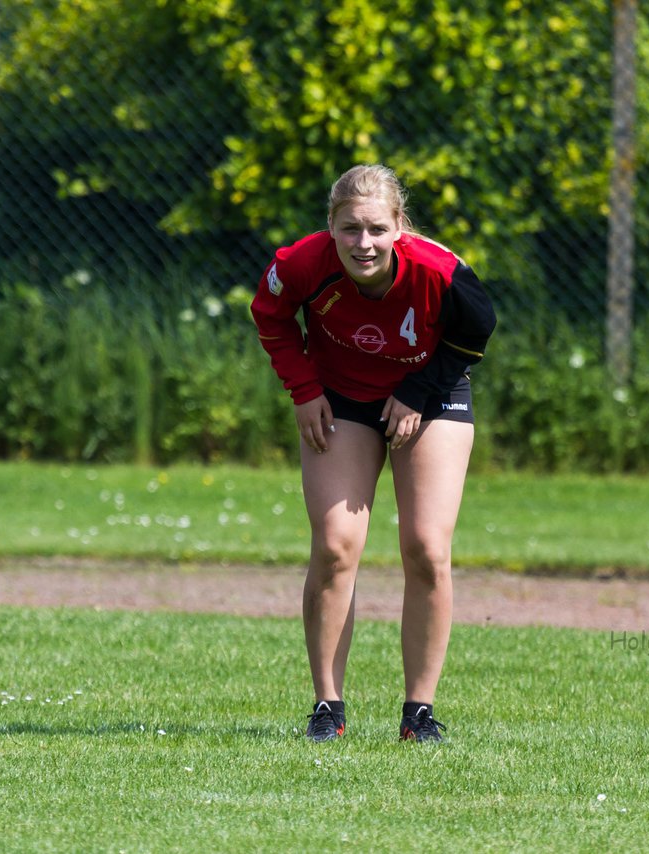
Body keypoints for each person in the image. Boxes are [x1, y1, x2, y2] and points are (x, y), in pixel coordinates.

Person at [251, 164, 497, 743]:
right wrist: (304, 391)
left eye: (377, 230)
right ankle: (327, 710)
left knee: (427, 547)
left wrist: (416, 392)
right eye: (350, 229)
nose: (364, 243)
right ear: (331, 228)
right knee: (336, 545)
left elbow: (476, 330)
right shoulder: (300, 265)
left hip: (429, 394)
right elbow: (271, 317)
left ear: (399, 228)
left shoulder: (440, 271)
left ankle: (419, 714)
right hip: (340, 398)